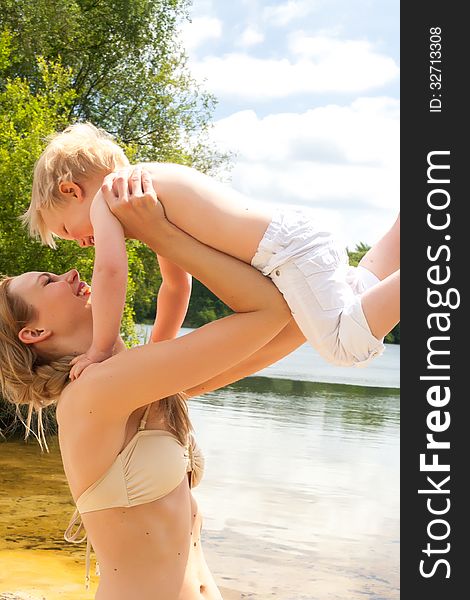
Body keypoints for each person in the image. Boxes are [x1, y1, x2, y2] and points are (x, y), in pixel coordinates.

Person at [1, 195, 300, 599]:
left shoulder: (144, 384)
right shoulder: (93, 391)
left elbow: (293, 325)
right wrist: (157, 230)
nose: (70, 273)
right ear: (34, 334)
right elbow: (270, 311)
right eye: (48, 282)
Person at [23, 123, 400, 379]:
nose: (81, 243)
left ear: (71, 191)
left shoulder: (108, 198)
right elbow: (175, 285)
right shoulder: (144, 195)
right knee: (356, 300)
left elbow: (109, 273)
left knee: (344, 347)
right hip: (293, 239)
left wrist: (100, 349)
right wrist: (158, 348)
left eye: (68, 231)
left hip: (286, 254)